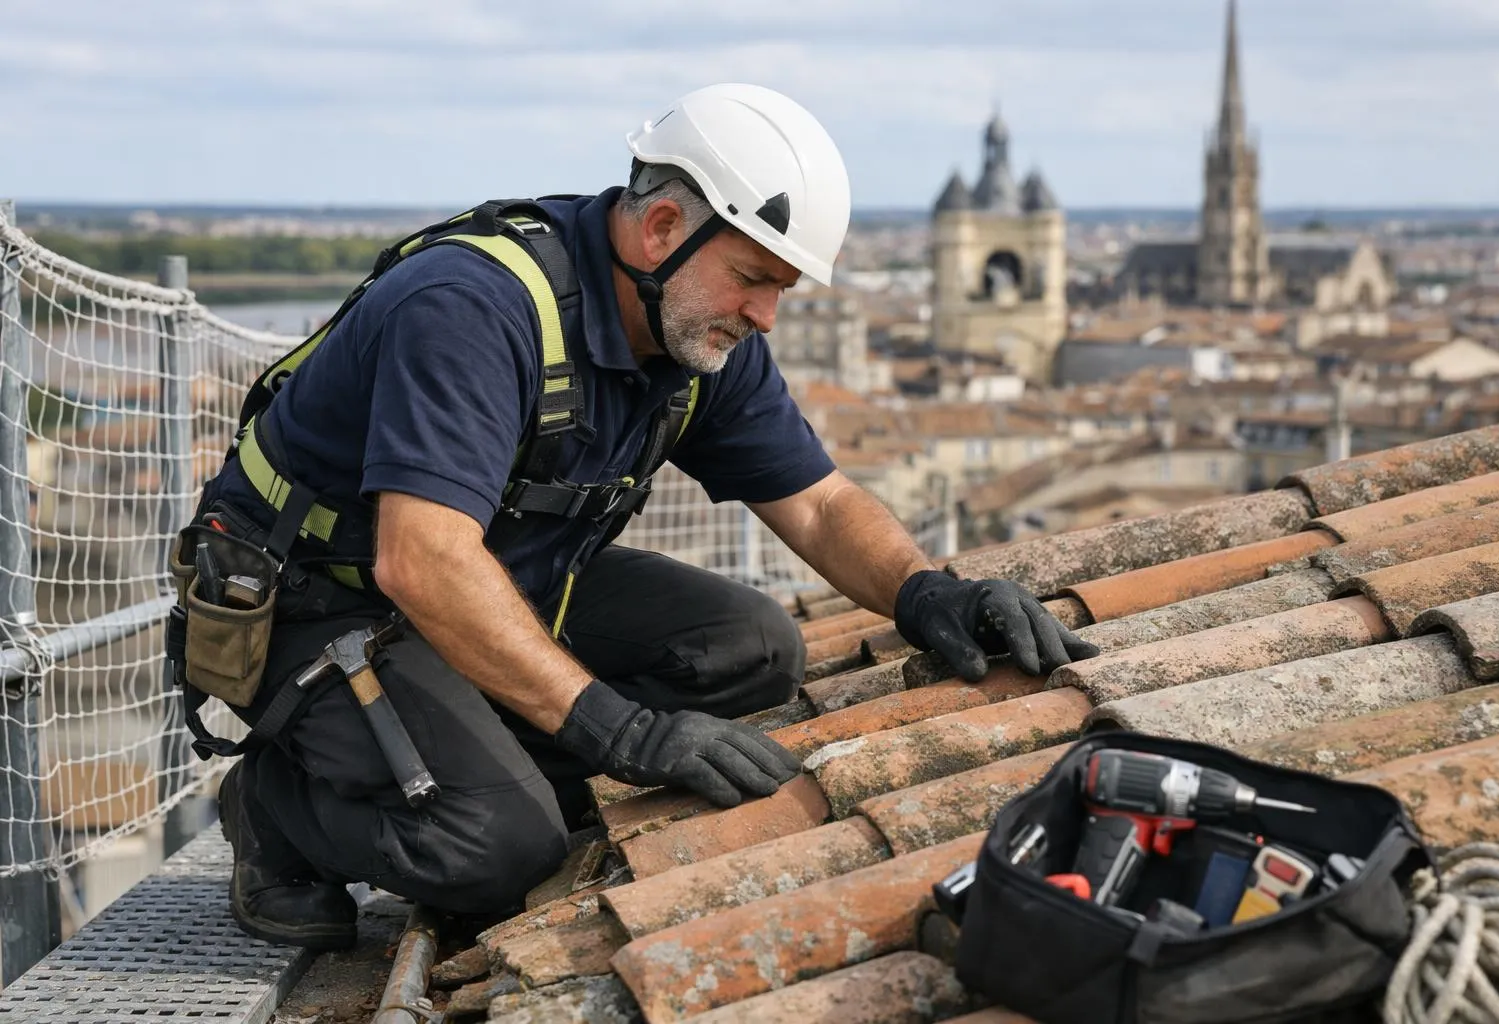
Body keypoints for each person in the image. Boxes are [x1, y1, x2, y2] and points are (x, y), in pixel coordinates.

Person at [180, 83, 1098, 951]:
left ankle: (488, 753)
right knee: (499, 847)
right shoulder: (473, 309)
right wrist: (619, 734)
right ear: (663, 228)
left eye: (783, 288)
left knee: (752, 646)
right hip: (324, 601)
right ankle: (273, 808)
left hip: (501, 577)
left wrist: (925, 590)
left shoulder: (696, 328)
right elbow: (420, 563)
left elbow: (817, 504)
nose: (767, 316)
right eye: (754, 279)